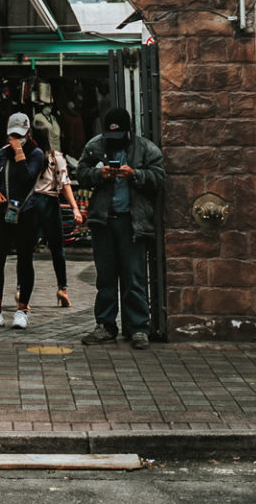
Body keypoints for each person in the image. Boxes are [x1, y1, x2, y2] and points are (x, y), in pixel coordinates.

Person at [76, 106, 165, 348]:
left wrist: (135, 174)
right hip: (103, 221)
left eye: (118, 136)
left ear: (128, 132)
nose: (113, 142)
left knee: (134, 277)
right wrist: (99, 174)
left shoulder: (146, 149)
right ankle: (105, 325)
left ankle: (137, 328)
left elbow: (159, 177)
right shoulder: (95, 146)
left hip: (132, 222)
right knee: (105, 277)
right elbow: (80, 173)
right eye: (110, 136)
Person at [0, 111, 44, 329]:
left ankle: (22, 309)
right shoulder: (2, 154)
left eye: (19, 135)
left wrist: (20, 154)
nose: (15, 139)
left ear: (27, 133)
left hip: (26, 212)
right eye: (12, 135)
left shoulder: (36, 154)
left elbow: (27, 178)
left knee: (25, 260)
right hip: (2, 213)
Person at [28, 124, 80, 309]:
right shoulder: (55, 157)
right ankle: (62, 289)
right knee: (57, 249)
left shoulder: (27, 156)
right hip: (49, 202)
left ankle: (21, 291)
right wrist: (75, 208)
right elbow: (64, 183)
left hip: (30, 203)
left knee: (26, 250)